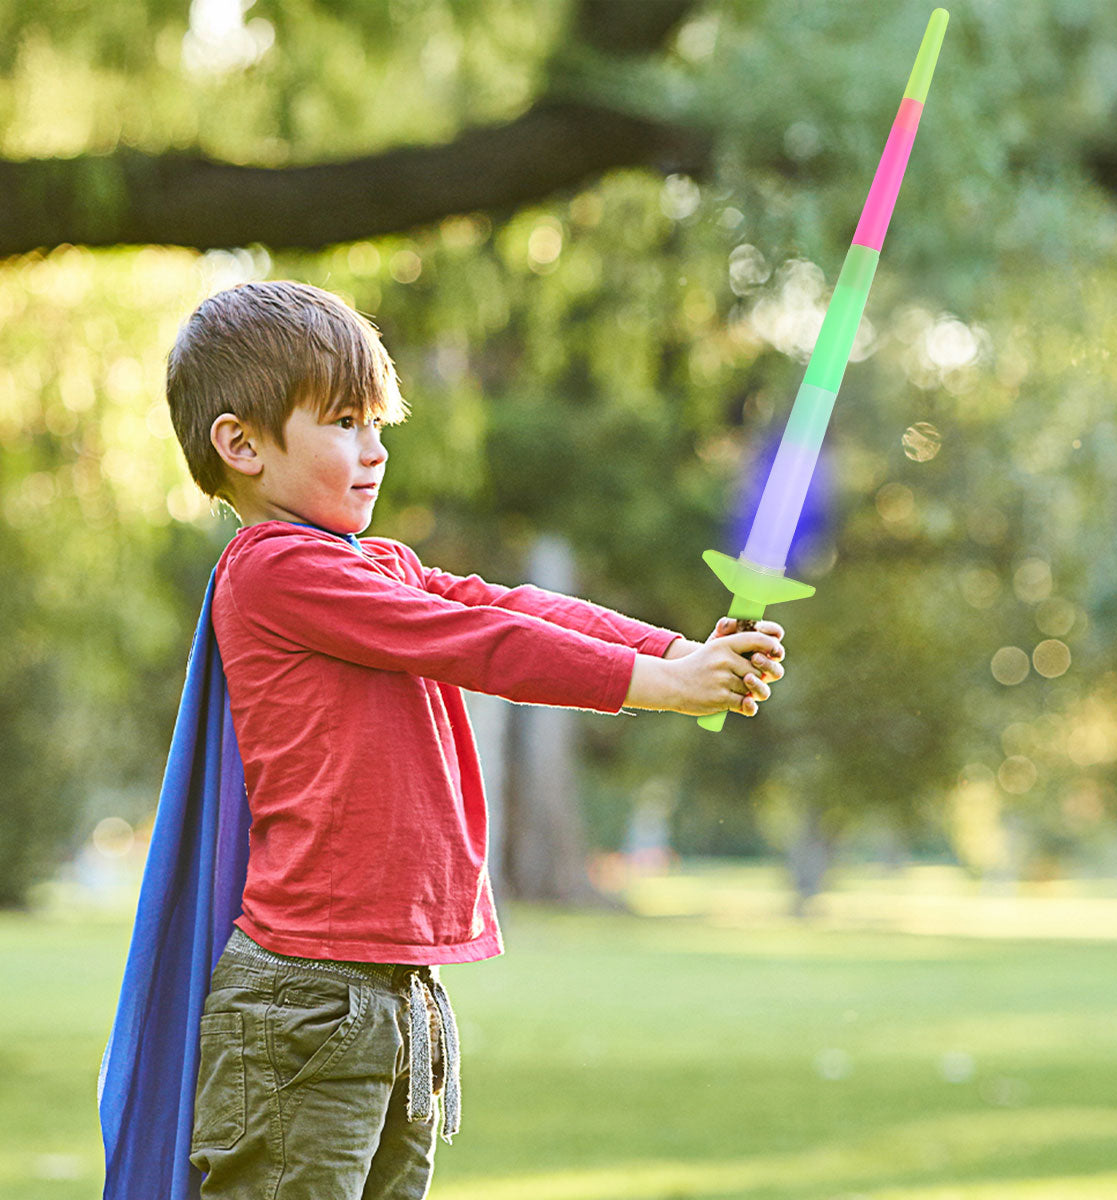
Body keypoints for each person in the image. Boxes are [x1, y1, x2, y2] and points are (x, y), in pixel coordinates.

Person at [162, 279, 786, 1199]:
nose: (374, 452)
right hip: (304, 998)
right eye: (342, 422)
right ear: (241, 443)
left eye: (379, 425)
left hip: (395, 995)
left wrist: (676, 650)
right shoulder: (276, 572)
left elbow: (507, 604)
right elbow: (478, 644)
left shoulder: (378, 565)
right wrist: (658, 686)